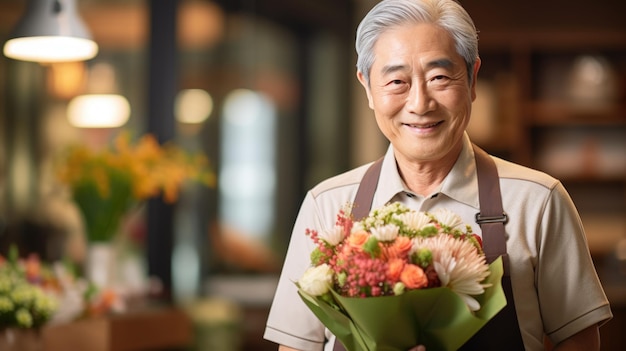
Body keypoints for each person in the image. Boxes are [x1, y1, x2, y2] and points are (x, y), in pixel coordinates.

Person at [263, 0, 613, 350]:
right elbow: (295, 346)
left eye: (439, 77)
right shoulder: (327, 205)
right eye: (397, 81)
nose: (420, 103)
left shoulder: (538, 201)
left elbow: (579, 340)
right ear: (367, 87)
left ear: (473, 78)